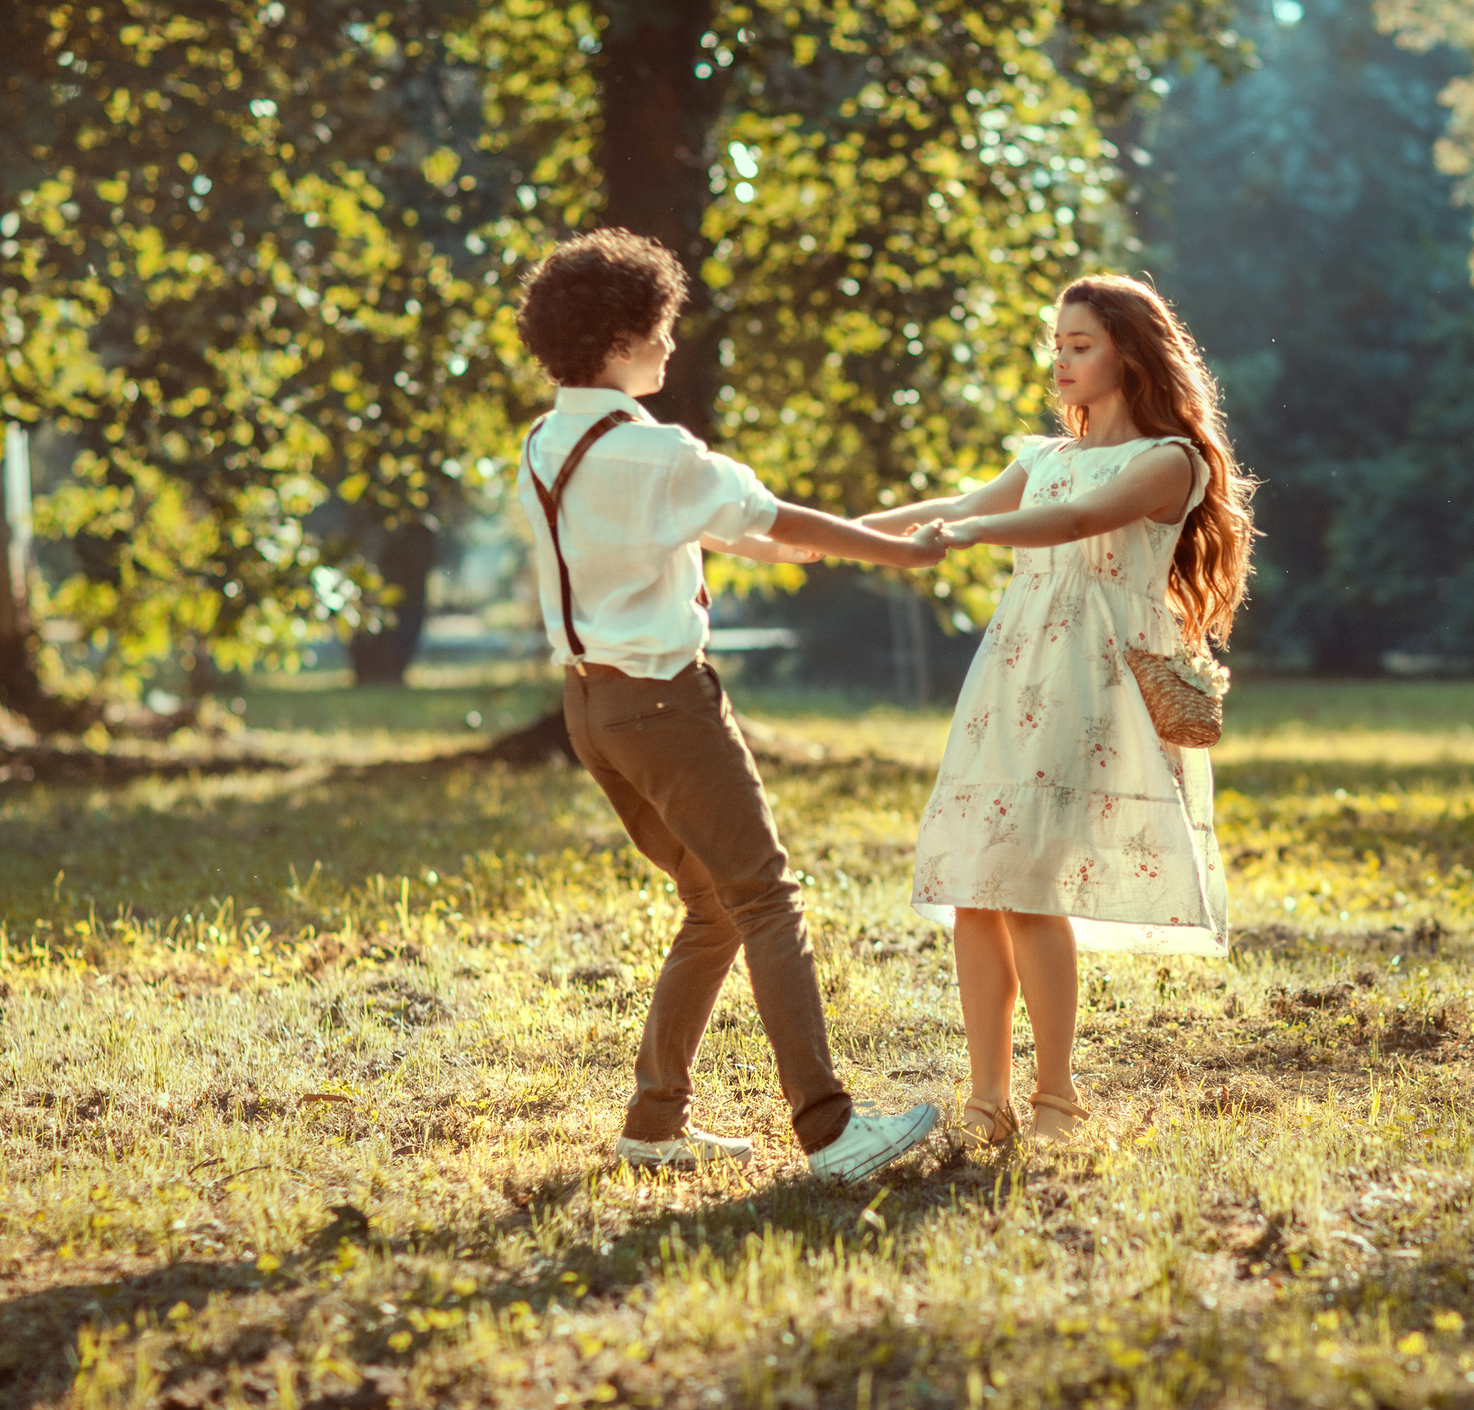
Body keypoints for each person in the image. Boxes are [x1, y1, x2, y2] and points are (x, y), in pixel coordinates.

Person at [513, 226, 944, 1183]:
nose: (672, 345)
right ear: (623, 339)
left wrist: (866, 534)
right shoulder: (658, 451)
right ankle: (832, 1131)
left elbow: (760, 537)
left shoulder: (547, 443)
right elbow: (774, 518)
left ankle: (654, 1122)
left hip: (595, 715)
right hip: (668, 709)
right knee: (765, 896)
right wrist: (906, 553)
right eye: (662, 329)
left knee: (710, 902)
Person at [867, 273, 1254, 1147]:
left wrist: (967, 535)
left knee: (1032, 878)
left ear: (1129, 350)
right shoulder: (1043, 457)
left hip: (1091, 684)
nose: (1062, 362)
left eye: (1081, 345)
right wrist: (827, 531)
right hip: (1010, 675)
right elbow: (954, 509)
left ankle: (1055, 1096)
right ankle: (984, 1098)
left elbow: (1078, 521)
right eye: (1058, 345)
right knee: (977, 879)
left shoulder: (1169, 461)